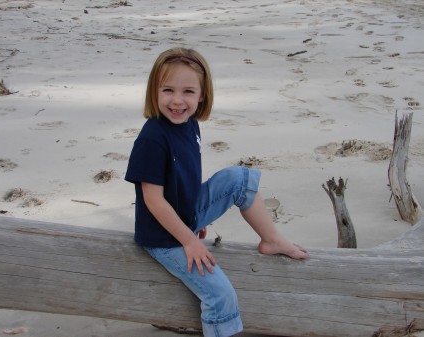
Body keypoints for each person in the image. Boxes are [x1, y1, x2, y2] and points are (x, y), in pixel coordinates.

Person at [124, 47, 309, 337]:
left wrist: (199, 217)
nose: (177, 100)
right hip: (164, 238)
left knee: (237, 178)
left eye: (188, 91)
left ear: (202, 95)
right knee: (221, 297)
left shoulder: (190, 124)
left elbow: (184, 180)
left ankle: (272, 239)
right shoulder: (152, 139)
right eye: (168, 90)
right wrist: (189, 240)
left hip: (184, 216)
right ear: (154, 91)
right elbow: (154, 200)